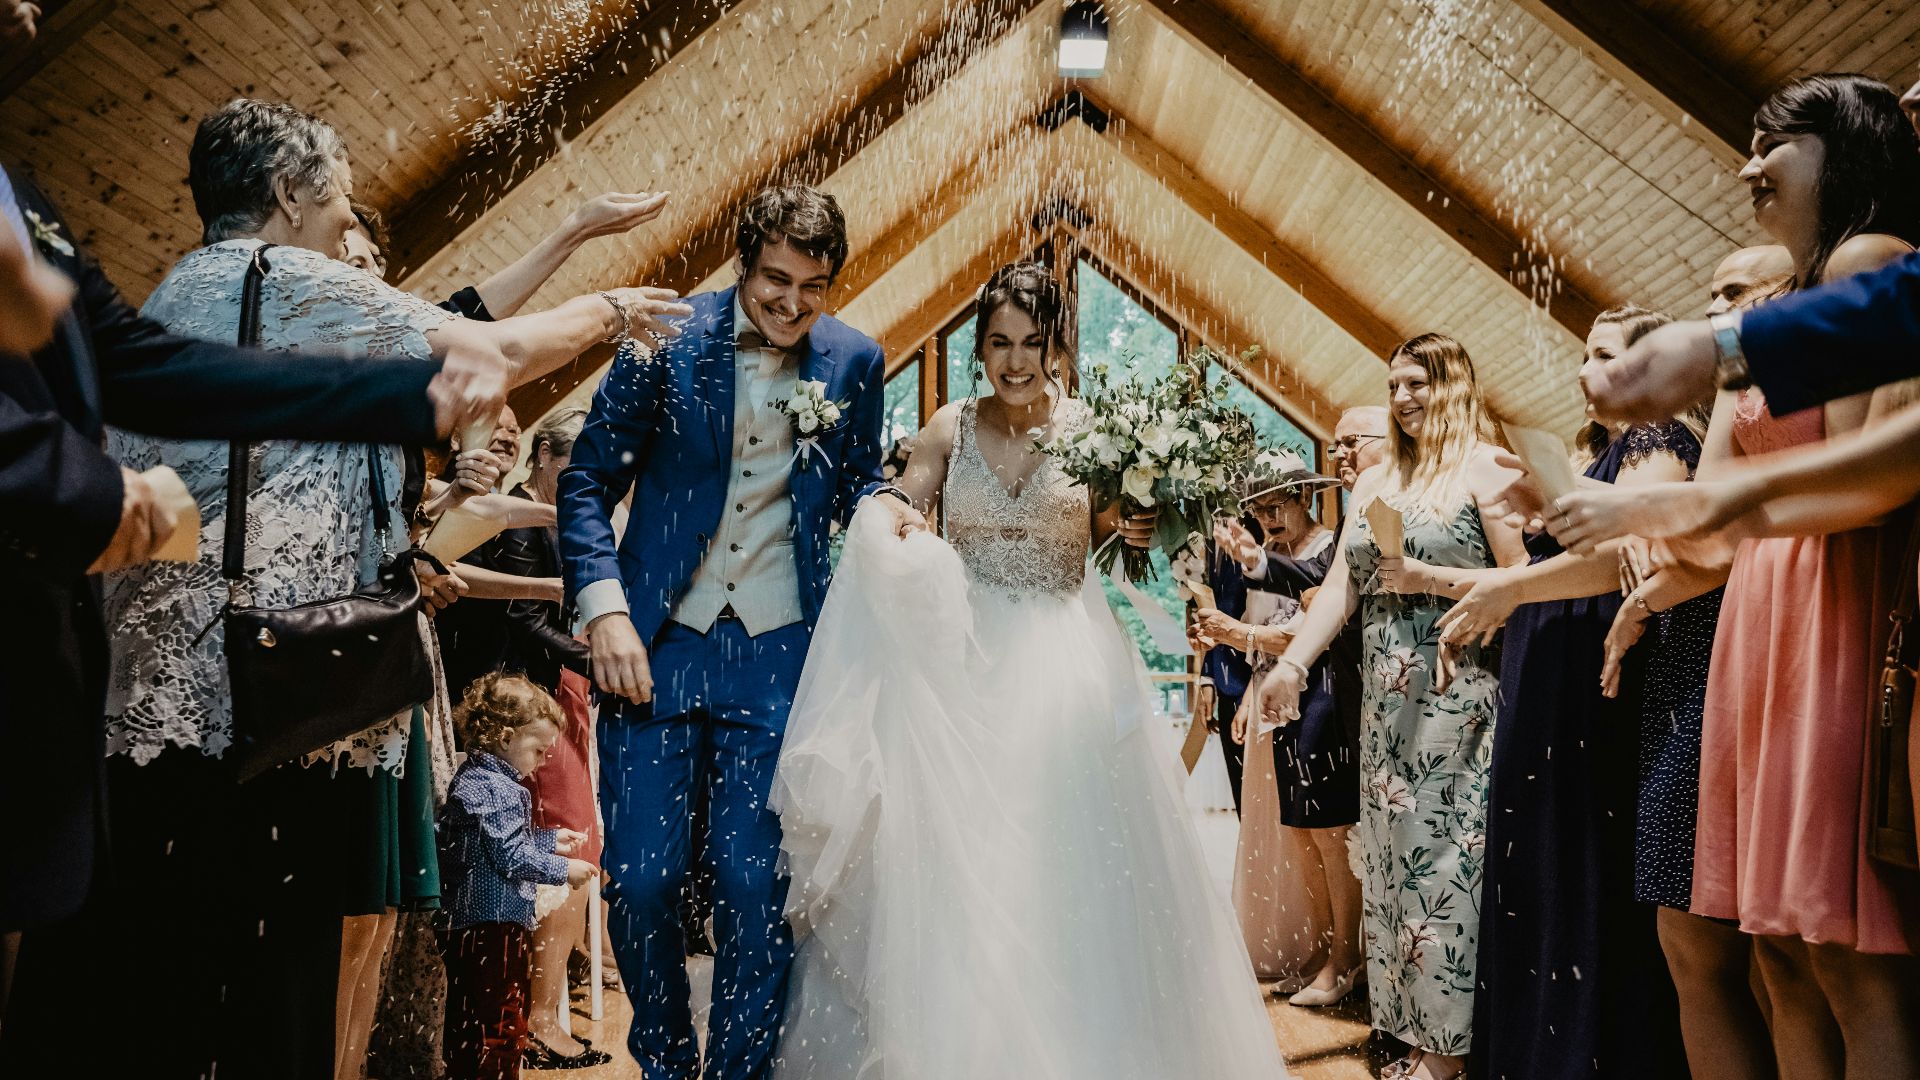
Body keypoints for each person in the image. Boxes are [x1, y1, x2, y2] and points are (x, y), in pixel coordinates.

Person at [27, 97, 680, 1080]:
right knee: (271, 977)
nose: (349, 217)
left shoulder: (176, 290)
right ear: (290, 194)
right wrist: (616, 312)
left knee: (161, 969)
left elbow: (453, 323)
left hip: (164, 697)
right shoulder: (291, 276)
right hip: (271, 693)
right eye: (338, 195)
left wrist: (571, 233)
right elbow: (485, 349)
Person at [769, 260, 1287, 1078]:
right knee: (957, 861)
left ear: (1057, 347)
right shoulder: (949, 425)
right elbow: (909, 494)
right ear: (979, 345)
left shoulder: (1092, 433)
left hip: (1064, 668)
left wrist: (1142, 521)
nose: (1015, 361)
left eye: (1032, 343)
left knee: (1065, 860)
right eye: (999, 342)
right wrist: (894, 518)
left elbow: (1123, 528)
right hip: (962, 671)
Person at [558, 184, 919, 1078]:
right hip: (655, 648)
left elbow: (856, 484)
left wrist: (892, 512)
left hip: (780, 656)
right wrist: (603, 607)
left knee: (757, 887)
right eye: (775, 281)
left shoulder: (854, 361)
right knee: (641, 885)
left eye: (814, 286)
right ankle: (667, 1063)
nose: (792, 305)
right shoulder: (664, 338)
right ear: (741, 260)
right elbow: (583, 483)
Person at [1418, 306, 1697, 1078]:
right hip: (1548, 696)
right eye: (1583, 356)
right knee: (1538, 876)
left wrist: (1507, 587)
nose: (1583, 372)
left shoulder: (1656, 438)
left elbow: (1625, 557)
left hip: (1591, 698)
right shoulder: (1601, 454)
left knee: (1580, 878)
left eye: (1604, 355)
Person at [1257, 333, 1528, 1080]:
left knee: (1447, 870)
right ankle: (1410, 1033)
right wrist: (1289, 664)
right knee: (1391, 872)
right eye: (1395, 384)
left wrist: (1428, 578)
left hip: (1458, 697)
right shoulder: (1378, 483)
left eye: (1420, 382)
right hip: (1386, 708)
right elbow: (1343, 588)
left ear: (1455, 385)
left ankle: (1450, 1052)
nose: (1404, 396)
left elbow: (1527, 583)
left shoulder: (1486, 467)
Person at [1578, 78, 1920, 424]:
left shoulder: (1867, 257)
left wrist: (1714, 349)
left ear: (1845, 148)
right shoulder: (1768, 302)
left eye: (1771, 146)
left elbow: (1872, 466)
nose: (1745, 172)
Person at [1196, 456, 1363, 1007]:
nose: (1268, 516)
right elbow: (1270, 634)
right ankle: (1320, 952)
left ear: (1304, 500)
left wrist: (1238, 634)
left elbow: (1305, 626)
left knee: (1330, 835)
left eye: (1277, 505)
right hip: (1280, 702)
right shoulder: (1272, 557)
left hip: (1327, 696)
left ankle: (1347, 958)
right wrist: (1248, 698)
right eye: (1259, 508)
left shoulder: (1329, 547)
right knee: (1298, 832)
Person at [437, 673, 597, 1080]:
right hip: (492, 924)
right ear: (505, 737)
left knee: (469, 1016)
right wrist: (564, 870)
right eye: (539, 750)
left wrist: (548, 840)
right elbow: (508, 856)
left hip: (470, 924)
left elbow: (496, 844)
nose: (544, 761)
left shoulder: (476, 778)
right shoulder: (499, 790)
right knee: (503, 1020)